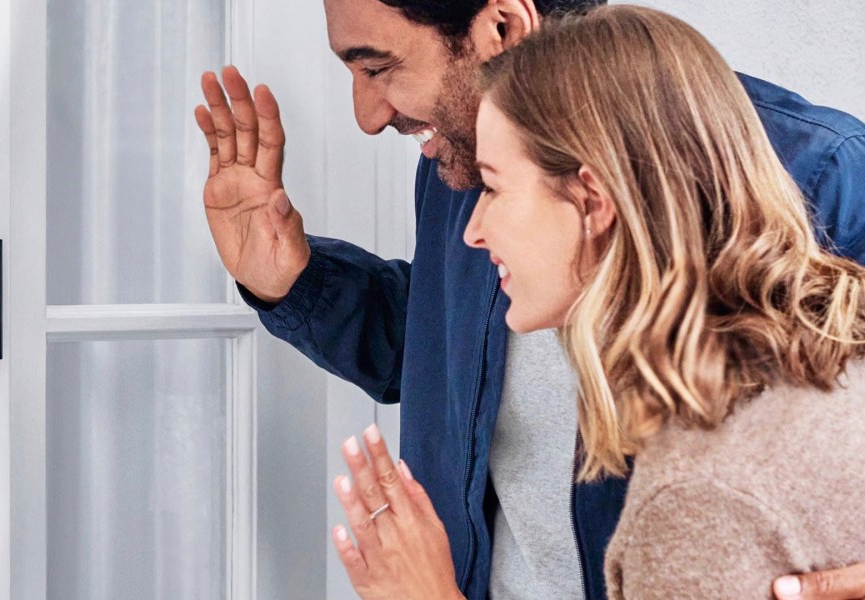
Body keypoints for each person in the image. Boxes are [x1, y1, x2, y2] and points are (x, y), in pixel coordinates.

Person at [193, 1, 865, 598]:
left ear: (502, 27)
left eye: (378, 67)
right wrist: (293, 279)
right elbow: (445, 355)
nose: (368, 116)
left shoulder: (820, 173)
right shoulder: (458, 163)